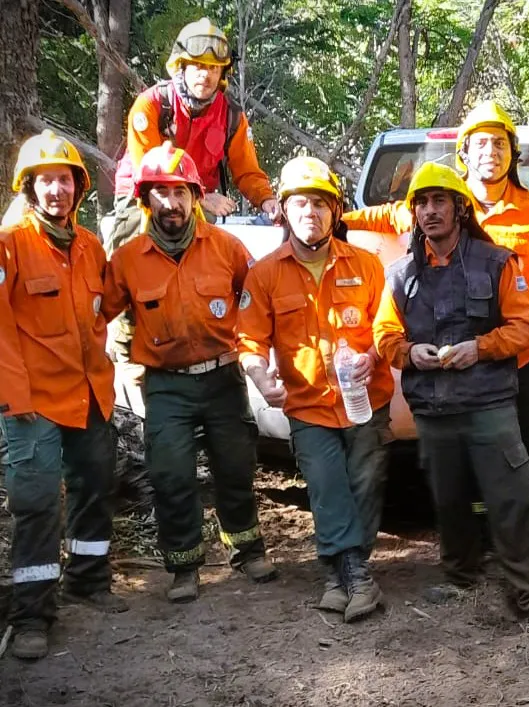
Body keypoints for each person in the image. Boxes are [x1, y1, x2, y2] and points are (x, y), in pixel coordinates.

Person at [373, 163, 529, 631]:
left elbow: (525, 327)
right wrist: (408, 352)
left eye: (440, 201)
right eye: (422, 203)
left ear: (460, 208)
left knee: (512, 499)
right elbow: (383, 332)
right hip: (434, 411)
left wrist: (478, 348)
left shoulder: (497, 261)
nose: (430, 211)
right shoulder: (401, 275)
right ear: (413, 212)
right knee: (450, 497)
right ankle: (461, 574)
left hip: (489, 407)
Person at [344, 101, 529, 511]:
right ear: (464, 152)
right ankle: (479, 536)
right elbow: (385, 216)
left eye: (498, 143)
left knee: (525, 444)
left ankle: (525, 529)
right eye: (480, 144)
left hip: (523, 354)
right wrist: (332, 217)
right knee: (472, 456)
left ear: (513, 152)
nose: (489, 152)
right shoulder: (441, 205)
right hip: (460, 365)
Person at [102, 142, 277, 604]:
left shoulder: (225, 247)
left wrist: (262, 352)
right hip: (167, 385)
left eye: (181, 192)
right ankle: (183, 566)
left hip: (223, 379)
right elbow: (97, 313)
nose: (172, 203)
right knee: (172, 474)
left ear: (196, 197)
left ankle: (247, 549)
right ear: (146, 199)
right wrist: (116, 360)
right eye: (161, 193)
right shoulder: (128, 259)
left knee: (235, 466)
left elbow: (259, 296)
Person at [238, 156, 393, 622]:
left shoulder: (366, 265)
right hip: (307, 404)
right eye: (301, 203)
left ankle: (340, 573)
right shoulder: (265, 274)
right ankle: (357, 576)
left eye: (321, 203)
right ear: (284, 210)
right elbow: (249, 339)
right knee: (327, 486)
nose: (312, 212)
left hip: (367, 400)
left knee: (365, 485)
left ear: (335, 210)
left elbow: (388, 327)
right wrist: (259, 375)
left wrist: (374, 355)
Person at [0, 131, 126, 660]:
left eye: (65, 180)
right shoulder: (10, 244)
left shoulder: (91, 245)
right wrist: (13, 395)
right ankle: (32, 613)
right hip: (32, 402)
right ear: (28, 188)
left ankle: (88, 580)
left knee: (96, 486)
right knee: (34, 504)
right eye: (46, 180)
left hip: (90, 393)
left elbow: (108, 306)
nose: (57, 190)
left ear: (78, 187)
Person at [104, 17, 280, 361]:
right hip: (145, 195)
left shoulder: (231, 115)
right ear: (180, 68)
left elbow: (247, 170)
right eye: (198, 66)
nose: (205, 74)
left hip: (197, 201)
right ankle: (124, 340)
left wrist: (268, 200)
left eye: (213, 68)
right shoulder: (151, 105)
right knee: (129, 244)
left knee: (212, 261)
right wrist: (201, 196)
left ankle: (208, 340)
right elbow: (147, 176)